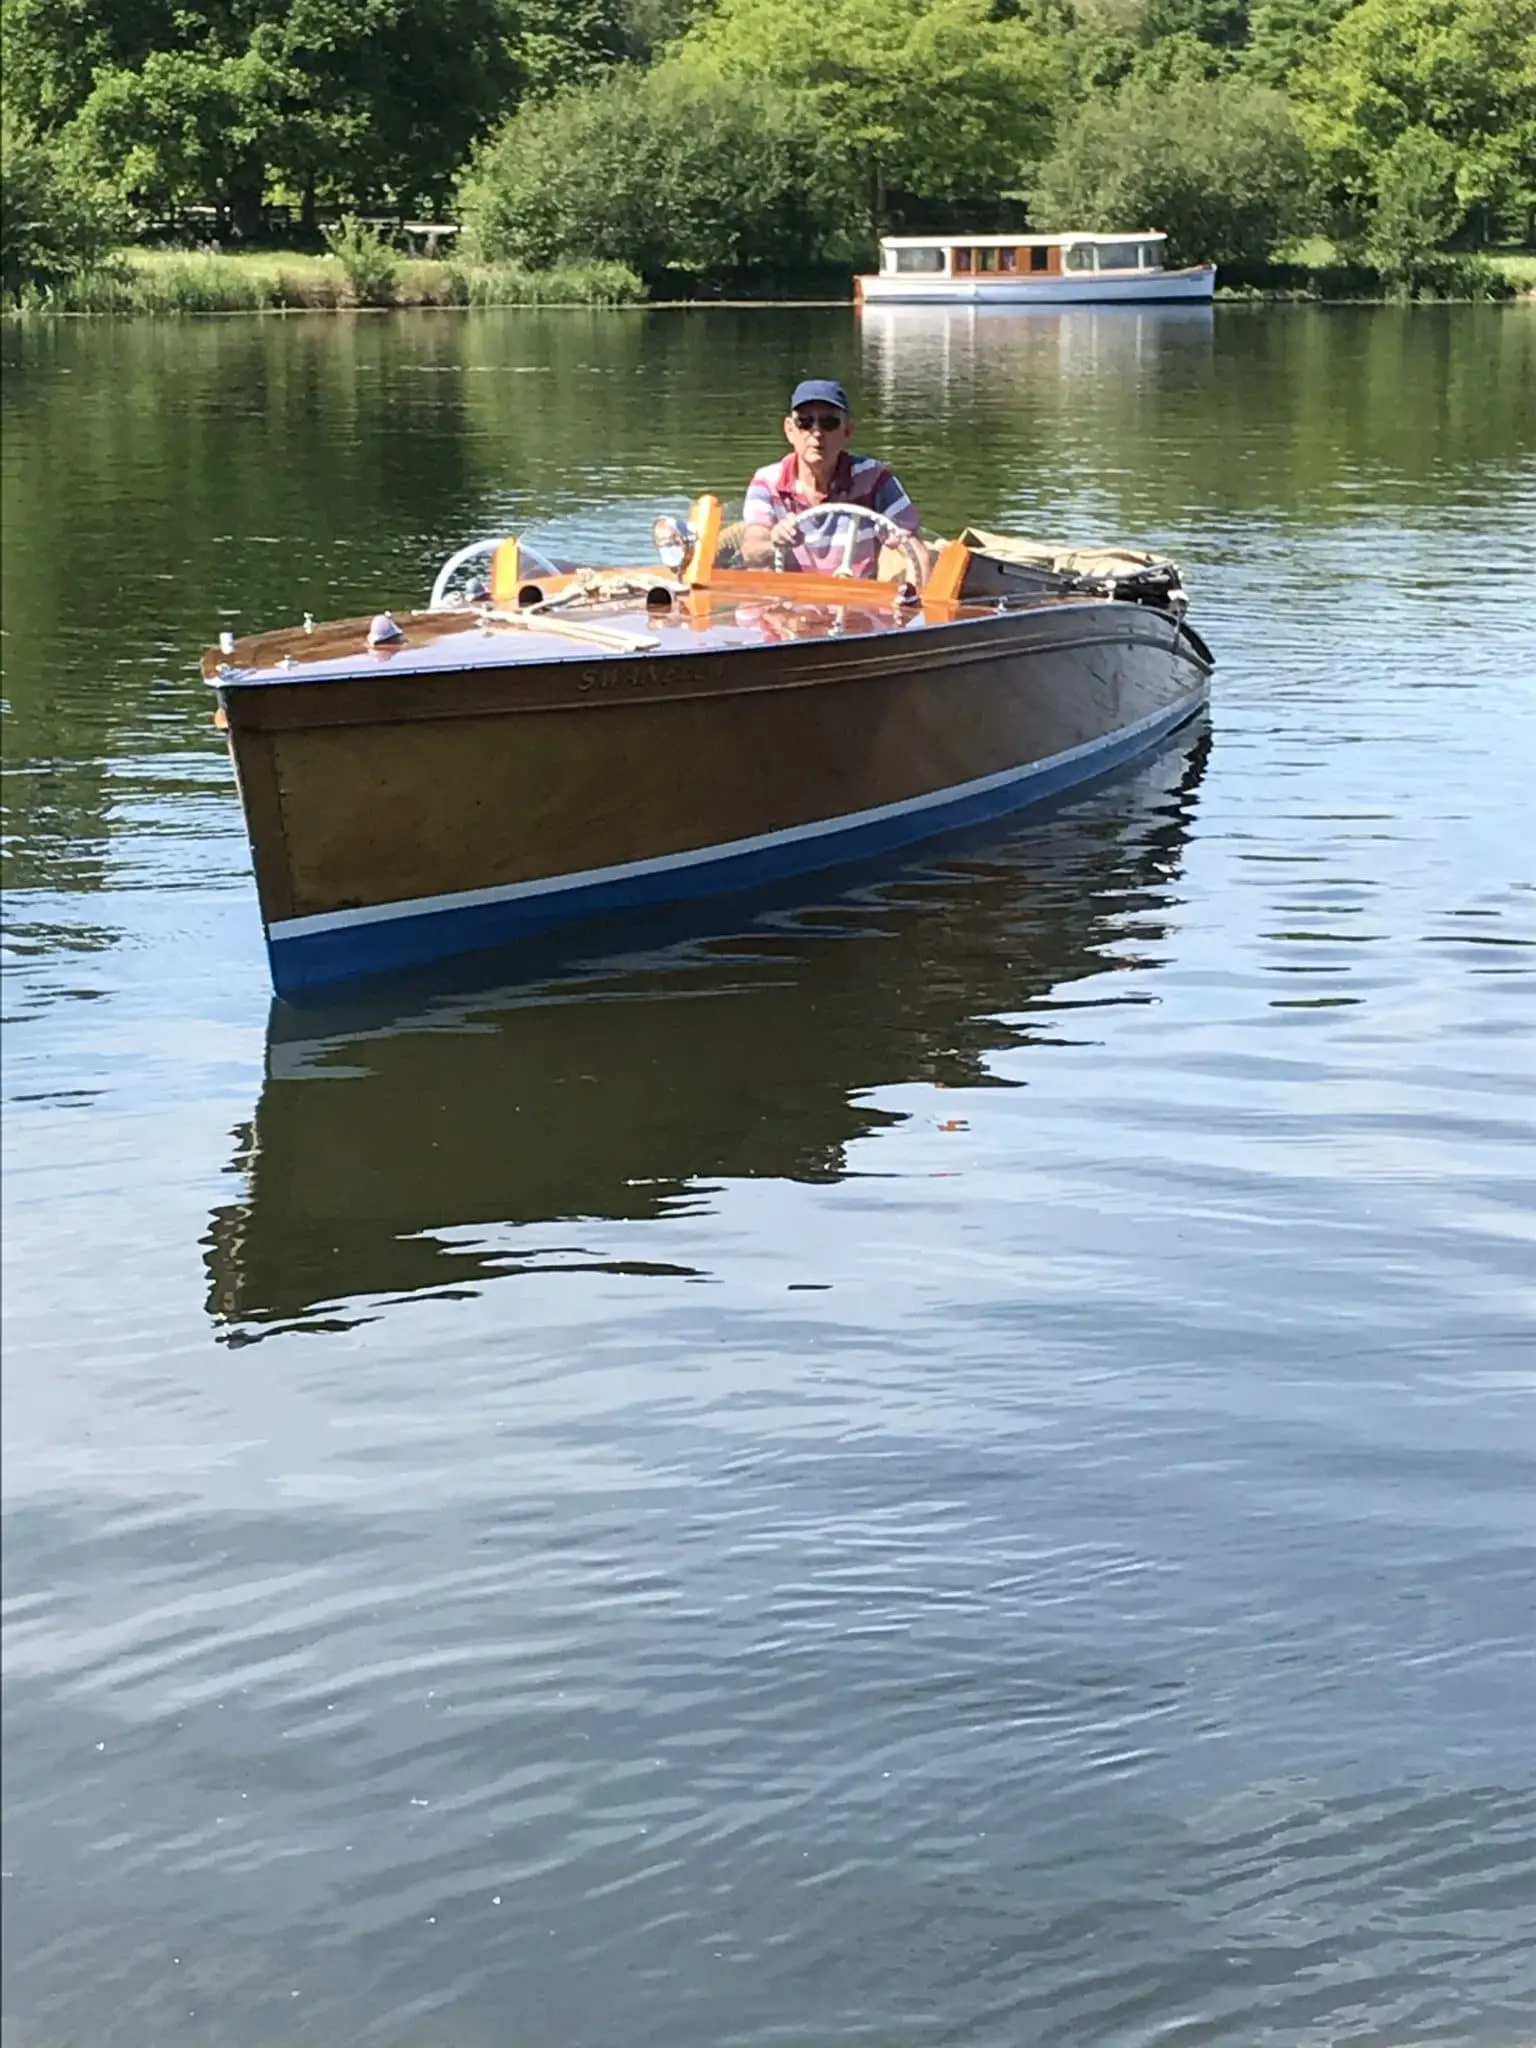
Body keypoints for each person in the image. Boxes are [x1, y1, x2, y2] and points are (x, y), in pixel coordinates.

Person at [741, 379, 926, 579]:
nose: (817, 433)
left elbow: (914, 553)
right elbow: (752, 550)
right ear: (789, 430)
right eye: (805, 422)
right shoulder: (767, 481)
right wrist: (775, 540)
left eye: (829, 423)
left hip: (858, 602)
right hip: (789, 603)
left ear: (847, 431)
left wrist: (915, 604)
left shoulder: (874, 478)